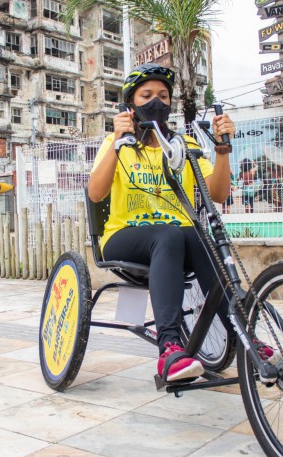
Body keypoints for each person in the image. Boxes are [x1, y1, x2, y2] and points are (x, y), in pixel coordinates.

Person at [88, 63, 234, 382]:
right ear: (130, 104)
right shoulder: (118, 146)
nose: (156, 101)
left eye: (163, 95)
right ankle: (169, 348)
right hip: (123, 237)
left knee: (197, 236)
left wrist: (222, 148)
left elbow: (219, 193)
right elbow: (96, 193)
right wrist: (117, 140)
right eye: (147, 95)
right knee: (171, 234)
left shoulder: (184, 147)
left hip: (176, 242)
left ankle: (246, 333)